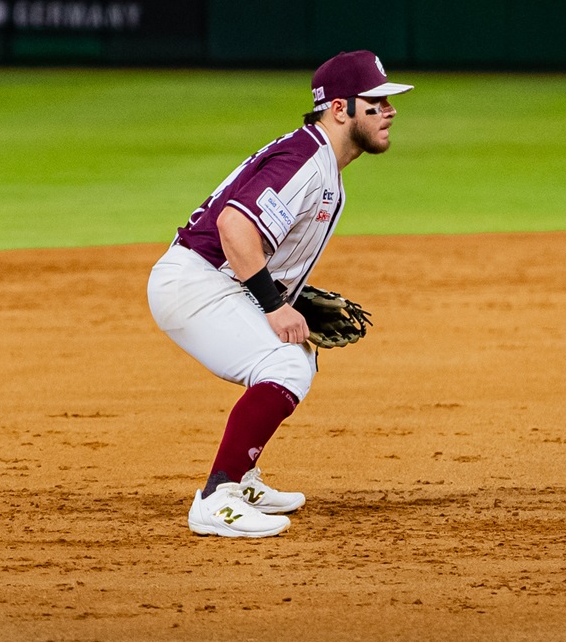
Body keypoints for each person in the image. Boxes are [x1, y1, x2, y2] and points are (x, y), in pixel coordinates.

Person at [147, 50, 413, 538]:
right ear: (339, 109)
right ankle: (217, 497)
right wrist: (273, 305)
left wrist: (292, 296)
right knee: (284, 363)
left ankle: (242, 478)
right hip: (195, 282)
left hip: (213, 280)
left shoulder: (320, 162)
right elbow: (234, 225)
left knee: (297, 354)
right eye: (374, 102)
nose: (389, 110)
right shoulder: (306, 160)